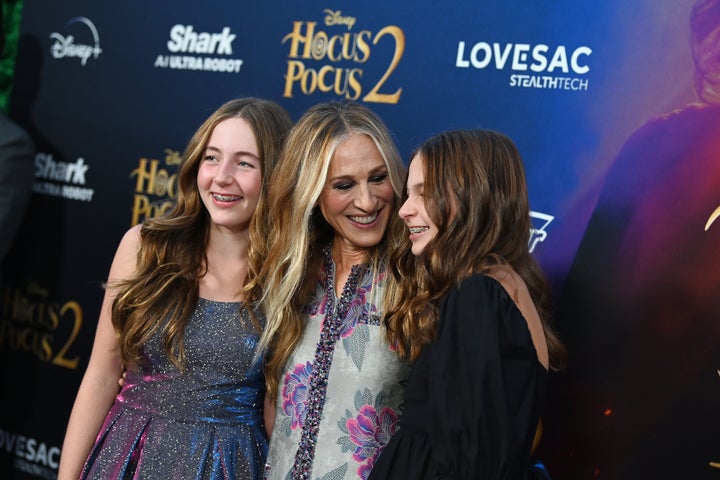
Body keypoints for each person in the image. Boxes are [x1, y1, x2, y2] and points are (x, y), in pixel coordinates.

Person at [57, 97, 293, 480]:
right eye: (212, 158)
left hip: (232, 465)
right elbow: (101, 375)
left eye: (245, 163)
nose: (222, 177)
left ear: (277, 176)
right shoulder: (145, 246)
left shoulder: (288, 276)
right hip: (128, 455)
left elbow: (277, 412)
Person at [368, 129, 566, 479]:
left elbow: (470, 462)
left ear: (472, 197)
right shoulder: (497, 288)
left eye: (423, 194)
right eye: (407, 194)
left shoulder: (478, 296)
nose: (403, 210)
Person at [247, 101, 410, 480]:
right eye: (344, 185)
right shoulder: (292, 275)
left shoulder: (417, 278)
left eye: (378, 177)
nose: (367, 201)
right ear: (314, 192)